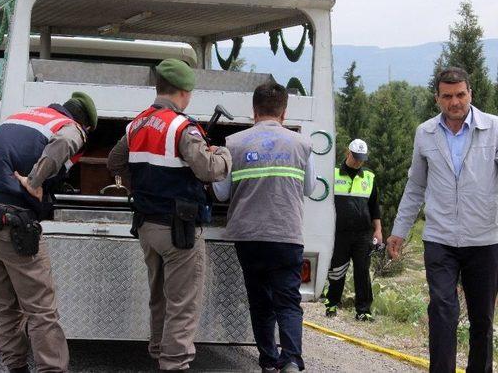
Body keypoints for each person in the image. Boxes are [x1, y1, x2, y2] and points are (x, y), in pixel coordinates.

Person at [107, 58, 231, 371]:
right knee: (183, 303)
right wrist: (224, 154)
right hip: (180, 231)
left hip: (147, 225)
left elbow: (114, 162)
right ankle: (174, 363)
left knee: (159, 296)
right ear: (185, 92)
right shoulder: (182, 127)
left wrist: (141, 185)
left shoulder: (137, 124)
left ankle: (159, 350)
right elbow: (207, 170)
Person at [0, 92, 97, 373]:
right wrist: (36, 181)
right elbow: (64, 143)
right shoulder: (70, 128)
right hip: (10, 222)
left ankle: (15, 367)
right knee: (41, 309)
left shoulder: (22, 117)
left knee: (4, 302)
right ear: (85, 124)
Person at [388, 67, 498, 373]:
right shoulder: (425, 133)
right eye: (447, 96)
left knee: (482, 319)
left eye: (461, 94)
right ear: (437, 98)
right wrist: (399, 230)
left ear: (470, 94)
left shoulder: (494, 128)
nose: (455, 102)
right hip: (439, 239)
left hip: (485, 239)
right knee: (443, 311)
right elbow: (416, 186)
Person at [213, 82, 315, 373]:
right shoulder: (302, 145)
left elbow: (221, 194)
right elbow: (308, 188)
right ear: (284, 111)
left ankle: (269, 361)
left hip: (248, 237)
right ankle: (292, 359)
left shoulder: (232, 143)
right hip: (287, 235)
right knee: (288, 302)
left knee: (260, 301)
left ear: (253, 110)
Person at [324, 139, 382, 321]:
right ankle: (331, 304)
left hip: (362, 234)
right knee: (337, 269)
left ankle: (363, 310)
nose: (358, 161)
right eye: (356, 157)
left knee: (362, 271)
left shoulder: (369, 177)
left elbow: (374, 207)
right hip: (339, 232)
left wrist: (378, 230)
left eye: (362, 159)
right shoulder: (332, 173)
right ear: (347, 152)